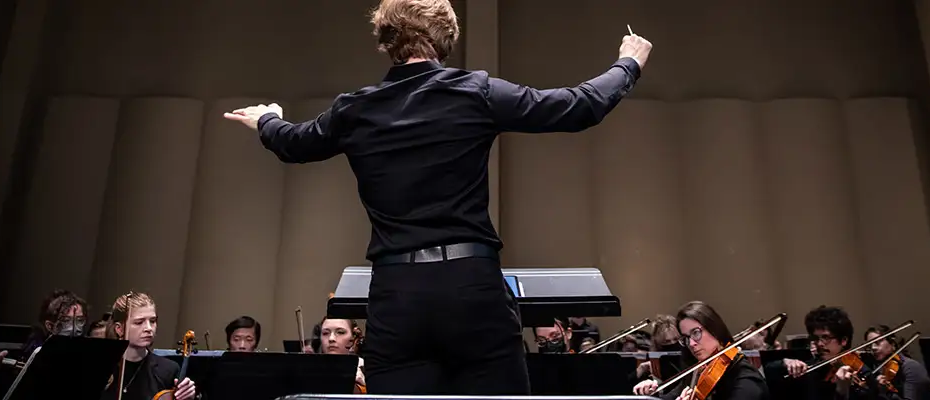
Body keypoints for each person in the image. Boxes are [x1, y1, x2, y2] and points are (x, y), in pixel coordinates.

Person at [220, 0, 652, 395]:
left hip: (397, 295)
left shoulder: (354, 109)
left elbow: (295, 143)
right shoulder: (475, 91)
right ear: (445, 38)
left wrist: (266, 121)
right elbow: (579, 105)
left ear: (386, 41)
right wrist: (628, 62)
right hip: (470, 287)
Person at [631, 301, 768, 400]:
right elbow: (671, 397)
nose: (691, 343)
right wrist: (650, 395)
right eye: (686, 337)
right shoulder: (699, 372)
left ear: (715, 329)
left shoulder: (746, 379)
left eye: (696, 333)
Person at [101, 292, 197, 400]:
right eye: (139, 322)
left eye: (152, 321)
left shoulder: (168, 370)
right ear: (119, 329)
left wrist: (189, 397)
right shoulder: (99, 366)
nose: (149, 328)